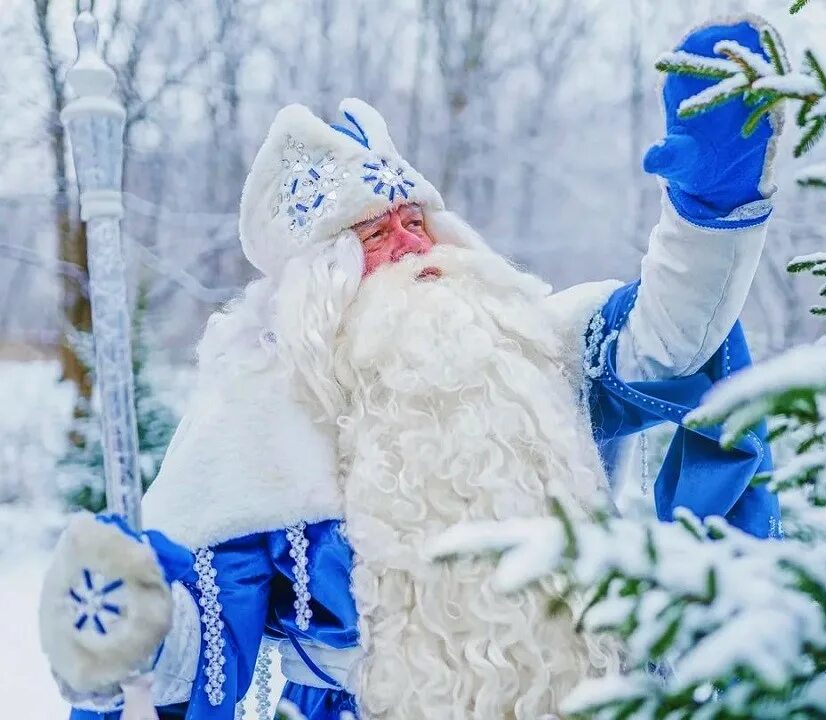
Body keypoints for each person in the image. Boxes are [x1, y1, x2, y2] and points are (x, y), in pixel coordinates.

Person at [39, 17, 783, 720]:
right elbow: (198, 636)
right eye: (372, 234)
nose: (409, 248)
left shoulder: (527, 346)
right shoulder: (257, 426)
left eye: (414, 223)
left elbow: (672, 340)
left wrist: (708, 208)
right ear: (318, 288)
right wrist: (133, 627)